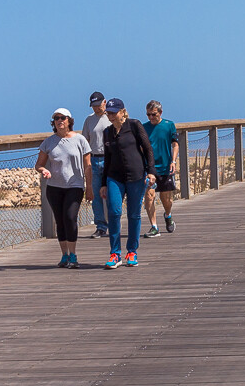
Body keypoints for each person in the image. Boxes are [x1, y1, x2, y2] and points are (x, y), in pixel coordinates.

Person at [99, 98, 156, 269]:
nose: (110, 116)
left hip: (136, 176)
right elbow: (107, 158)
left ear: (122, 112)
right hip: (114, 177)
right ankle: (115, 253)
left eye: (113, 112)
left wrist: (151, 171)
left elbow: (148, 149)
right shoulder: (107, 132)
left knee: (134, 214)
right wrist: (103, 183)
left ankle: (132, 251)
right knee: (114, 212)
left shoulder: (134, 125)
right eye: (108, 113)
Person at [35, 108, 93, 268]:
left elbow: (88, 166)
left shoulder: (80, 140)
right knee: (60, 221)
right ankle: (64, 255)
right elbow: (38, 165)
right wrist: (43, 170)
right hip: (54, 187)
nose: (59, 121)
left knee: (70, 217)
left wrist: (89, 187)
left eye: (62, 118)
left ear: (69, 121)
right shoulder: (48, 142)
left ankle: (73, 255)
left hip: (75, 185)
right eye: (56, 118)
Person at [142, 100, 179, 238]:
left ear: (160, 113)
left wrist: (173, 161)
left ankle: (168, 215)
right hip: (150, 168)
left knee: (167, 199)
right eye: (148, 115)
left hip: (165, 166)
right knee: (149, 196)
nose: (151, 117)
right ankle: (154, 227)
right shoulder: (144, 127)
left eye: (153, 114)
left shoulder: (169, 125)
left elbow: (175, 144)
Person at [82, 91, 110, 238]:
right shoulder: (89, 120)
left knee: (112, 193)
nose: (96, 108)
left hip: (109, 159)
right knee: (96, 195)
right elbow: (84, 141)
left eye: (98, 105)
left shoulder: (111, 117)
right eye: (94, 106)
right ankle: (100, 226)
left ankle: (114, 223)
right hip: (94, 159)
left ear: (104, 102)